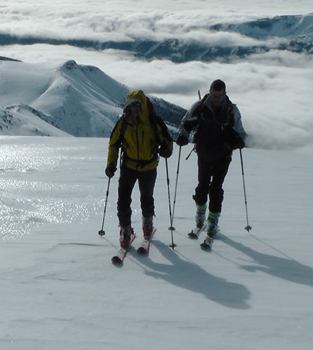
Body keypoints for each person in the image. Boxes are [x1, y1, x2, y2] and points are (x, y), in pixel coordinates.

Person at [176, 79, 247, 247]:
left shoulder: (231, 110)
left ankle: (212, 220)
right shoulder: (200, 106)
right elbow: (186, 123)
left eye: (219, 96)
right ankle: (201, 215)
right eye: (214, 96)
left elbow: (239, 131)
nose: (216, 99)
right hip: (204, 154)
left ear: (224, 94)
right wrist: (183, 135)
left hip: (223, 155)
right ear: (210, 92)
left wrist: (239, 141)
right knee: (202, 186)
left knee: (215, 188)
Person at [106, 90, 174, 248]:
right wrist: (111, 164)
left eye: (137, 106)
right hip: (129, 166)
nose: (134, 109)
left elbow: (167, 141)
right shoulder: (123, 123)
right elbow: (114, 144)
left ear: (142, 106)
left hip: (148, 166)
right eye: (131, 106)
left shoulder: (153, 122)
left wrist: (167, 150)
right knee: (123, 199)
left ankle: (146, 223)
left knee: (146, 197)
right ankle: (125, 229)